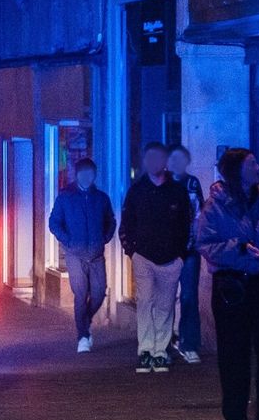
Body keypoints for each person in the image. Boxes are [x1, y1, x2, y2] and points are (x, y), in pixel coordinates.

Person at [196, 147, 259, 420]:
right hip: (232, 286)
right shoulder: (215, 204)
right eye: (253, 164)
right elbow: (204, 243)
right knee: (234, 352)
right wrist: (238, 249)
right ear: (237, 169)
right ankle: (236, 416)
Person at [119, 142, 191, 374]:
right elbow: (127, 222)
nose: (153, 163)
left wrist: (181, 254)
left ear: (164, 161)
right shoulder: (137, 191)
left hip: (171, 258)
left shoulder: (177, 191)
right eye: (149, 158)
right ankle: (146, 350)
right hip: (144, 257)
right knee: (145, 302)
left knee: (165, 305)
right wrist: (131, 250)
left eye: (158, 158)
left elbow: (186, 224)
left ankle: (161, 351)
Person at [48, 156, 116, 354]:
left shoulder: (101, 198)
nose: (87, 177)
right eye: (83, 174)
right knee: (81, 294)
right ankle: (83, 337)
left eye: (91, 174)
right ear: (77, 175)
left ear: (94, 175)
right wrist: (68, 241)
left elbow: (110, 220)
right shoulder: (66, 197)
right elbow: (54, 222)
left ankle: (84, 322)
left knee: (99, 292)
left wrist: (104, 238)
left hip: (96, 255)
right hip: (75, 255)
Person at [168, 145, 205, 364]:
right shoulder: (162, 183)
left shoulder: (192, 184)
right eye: (173, 159)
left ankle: (188, 343)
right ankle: (164, 341)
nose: (177, 163)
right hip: (166, 252)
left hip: (189, 250)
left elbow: (199, 215)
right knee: (164, 298)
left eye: (181, 159)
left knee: (189, 296)